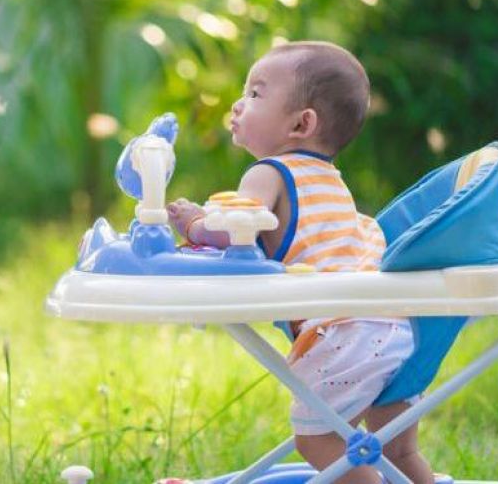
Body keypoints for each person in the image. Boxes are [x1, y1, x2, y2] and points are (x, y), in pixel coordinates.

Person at [165, 42, 434, 484]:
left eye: (255, 93)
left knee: (319, 442)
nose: (238, 103)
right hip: (397, 329)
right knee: (397, 449)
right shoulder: (333, 182)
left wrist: (194, 224)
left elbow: (238, 227)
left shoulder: (269, 172)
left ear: (301, 123)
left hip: (344, 334)